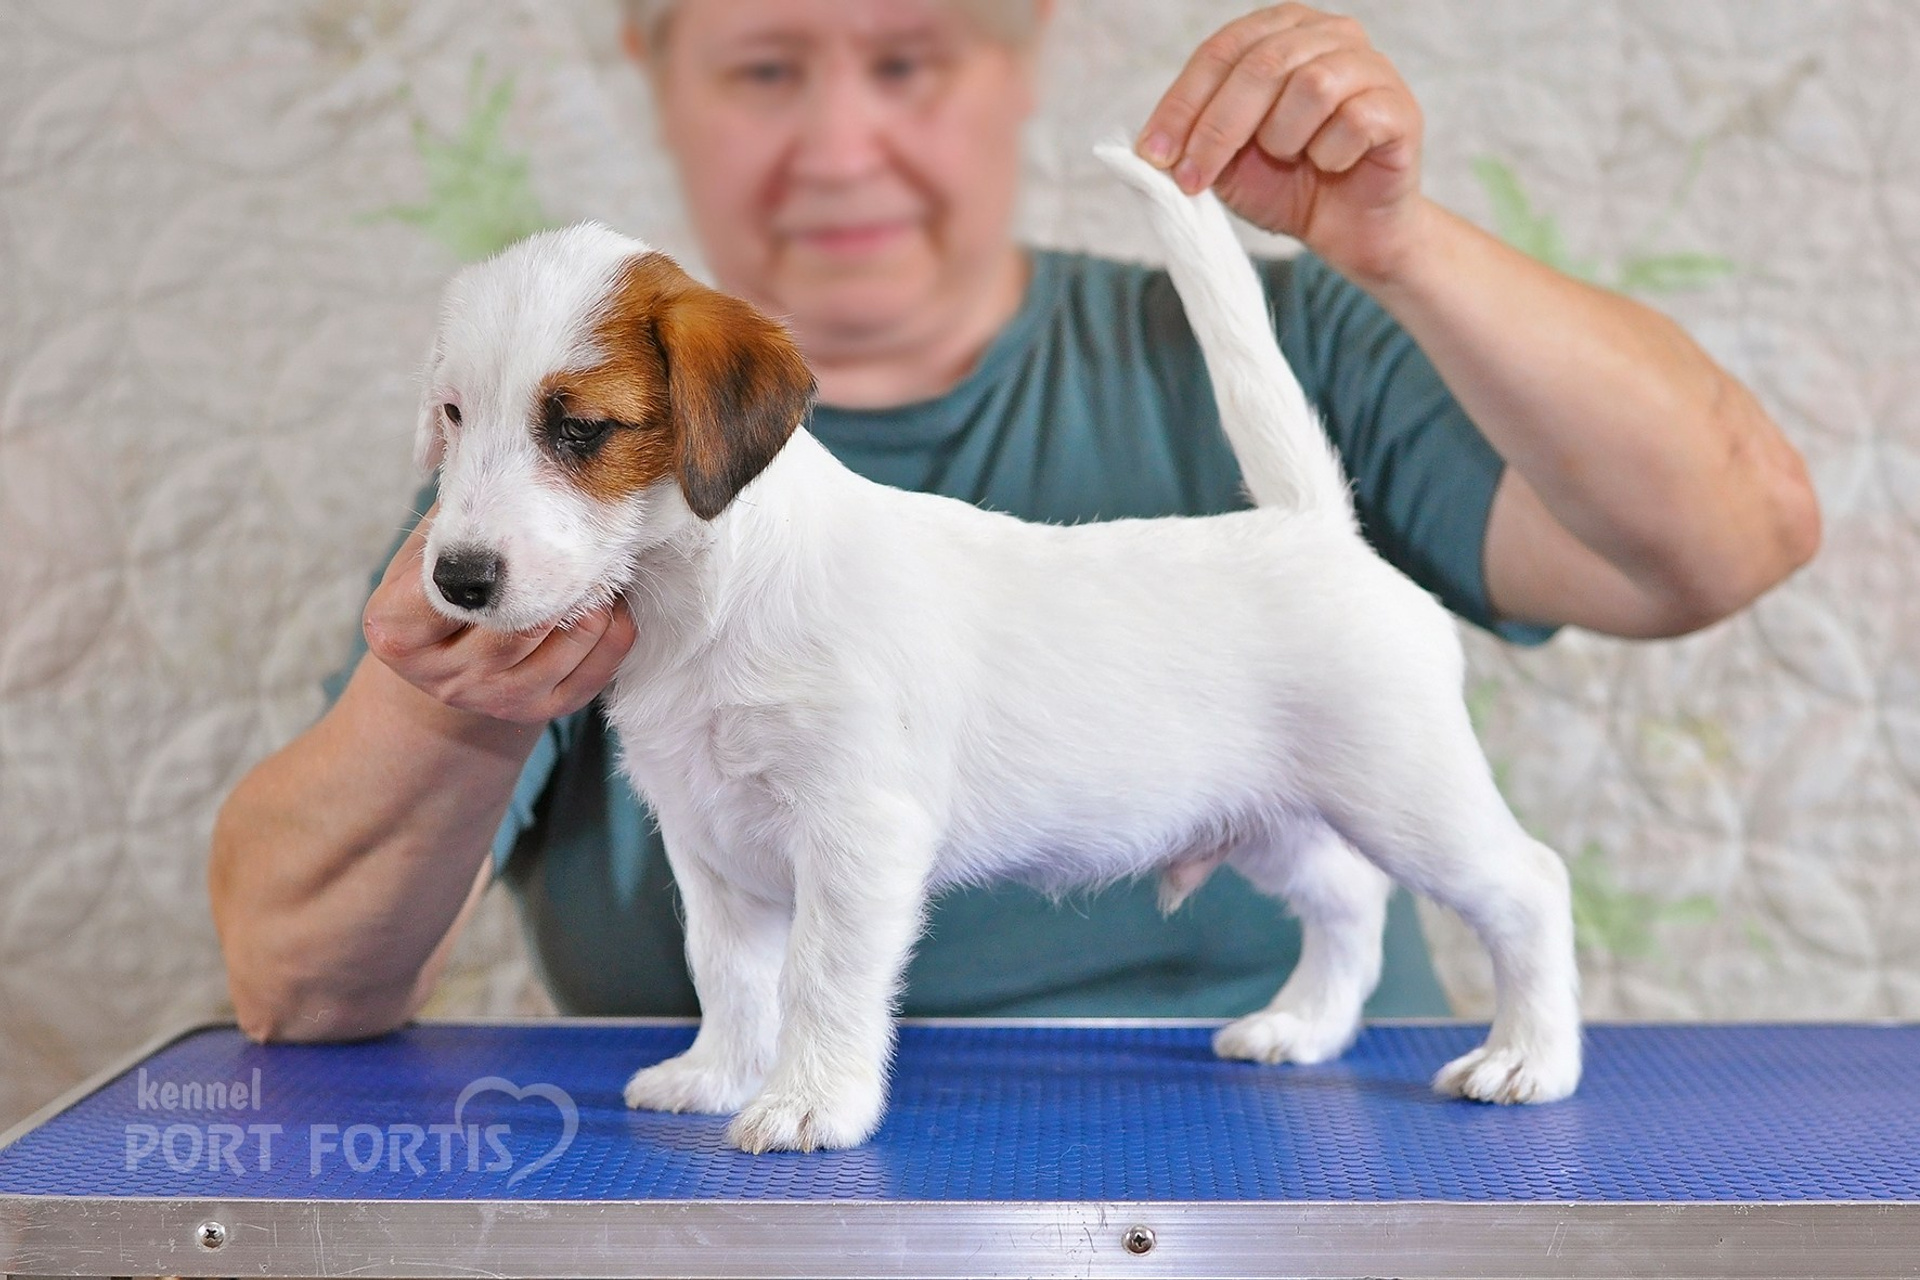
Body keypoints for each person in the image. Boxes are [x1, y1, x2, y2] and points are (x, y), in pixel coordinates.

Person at [209, 0, 1820, 1043]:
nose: (842, 142)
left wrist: (1397, 243)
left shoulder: (1309, 336)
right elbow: (293, 983)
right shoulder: (521, 490)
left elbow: (1734, 537)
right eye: (766, 67)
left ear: (1022, 51)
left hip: (1290, 1171)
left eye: (908, 59)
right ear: (660, 71)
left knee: (1390, 844)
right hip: (757, 1210)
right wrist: (448, 700)